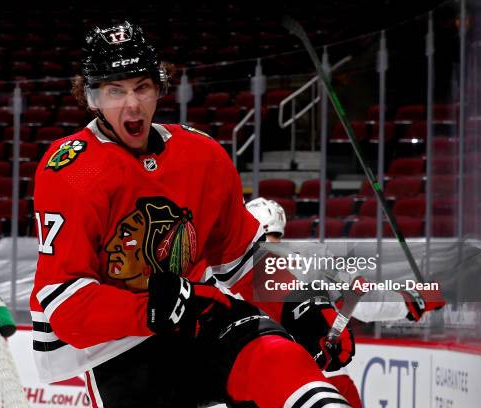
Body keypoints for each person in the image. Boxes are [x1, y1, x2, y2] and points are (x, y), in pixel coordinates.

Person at [30, 21, 353, 408]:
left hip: (199, 318)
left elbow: (244, 261)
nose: (132, 105)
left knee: (279, 357)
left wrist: (298, 305)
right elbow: (65, 306)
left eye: (142, 87)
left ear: (159, 88)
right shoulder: (71, 170)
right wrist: (150, 309)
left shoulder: (201, 154)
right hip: (117, 348)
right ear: (92, 98)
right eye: (115, 91)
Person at [245, 197, 447, 408]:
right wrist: (414, 300)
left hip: (263, 382)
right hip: (320, 376)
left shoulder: (223, 274)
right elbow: (363, 300)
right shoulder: (309, 257)